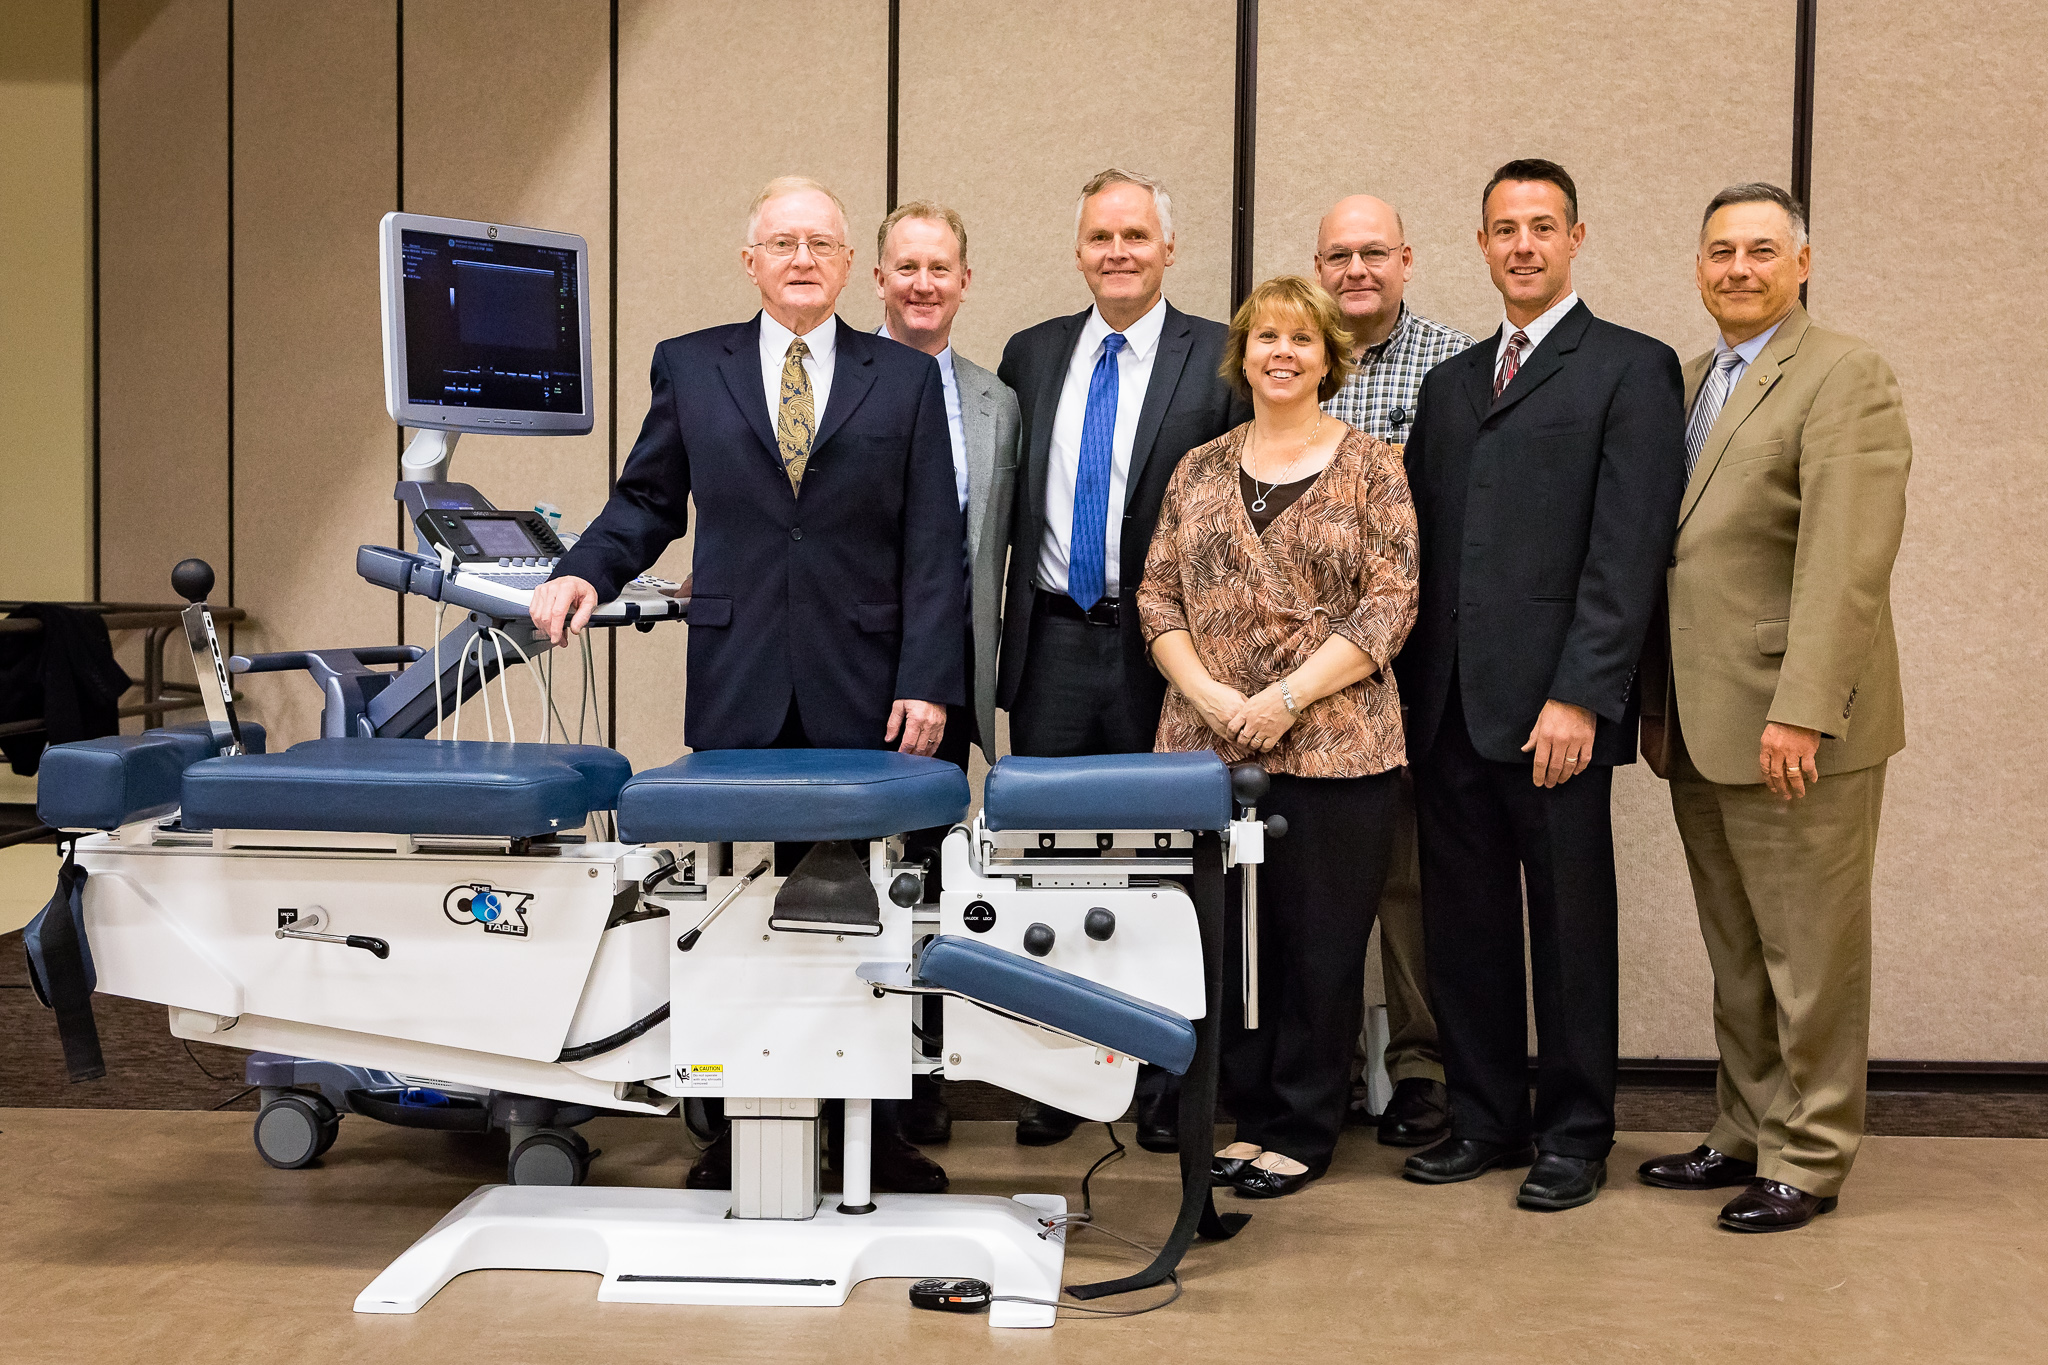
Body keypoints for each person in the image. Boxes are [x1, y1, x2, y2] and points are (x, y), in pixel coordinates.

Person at [529, 175, 964, 1195]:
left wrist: (929, 680)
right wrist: (584, 571)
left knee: (870, 910)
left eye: (821, 242)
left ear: (849, 264)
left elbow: (933, 545)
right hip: (739, 682)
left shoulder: (899, 378)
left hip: (868, 685)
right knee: (734, 905)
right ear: (750, 261)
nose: (802, 258)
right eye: (782, 243)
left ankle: (877, 1128)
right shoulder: (692, 366)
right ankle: (732, 1123)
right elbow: (645, 499)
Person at [1395, 159, 1686, 1211]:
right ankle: (1483, 1118)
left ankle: (1573, 1132)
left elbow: (1626, 553)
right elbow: (1426, 551)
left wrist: (1582, 695)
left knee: (1568, 929)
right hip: (1446, 709)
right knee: (1463, 928)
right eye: (1502, 228)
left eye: (1540, 226)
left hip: (1554, 712)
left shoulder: (1628, 368)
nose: (1521, 244)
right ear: (1479, 245)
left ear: (1574, 237)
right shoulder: (1451, 383)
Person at [1636, 183, 1910, 1233]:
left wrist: (1802, 709)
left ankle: (1810, 1152)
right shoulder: (1695, 380)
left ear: (1800, 263)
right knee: (1739, 949)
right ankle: (1743, 1130)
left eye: (1760, 250)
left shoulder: (1843, 376)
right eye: (1718, 251)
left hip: (1793, 727)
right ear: (1696, 266)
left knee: (1810, 953)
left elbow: (1847, 562)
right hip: (1701, 724)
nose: (1737, 268)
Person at [1139, 274, 1417, 1199]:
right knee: (1226, 944)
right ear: (1244, 355)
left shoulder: (1374, 465)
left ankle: (1301, 1127)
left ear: (1329, 356)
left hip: (1337, 747)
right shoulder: (1200, 467)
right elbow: (1159, 594)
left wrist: (1285, 699)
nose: (1283, 353)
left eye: (1303, 339)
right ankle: (1247, 1117)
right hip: (1206, 749)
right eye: (1266, 338)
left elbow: (1392, 602)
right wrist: (1212, 695)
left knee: (1318, 945)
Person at [995, 168, 1250, 1151]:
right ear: (1077, 250)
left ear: (1168, 248)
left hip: (1166, 654)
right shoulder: (1030, 356)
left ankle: (1162, 1083)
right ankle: (1052, 1074)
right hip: (1053, 641)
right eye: (1100, 235)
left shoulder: (1218, 358)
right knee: (1044, 867)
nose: (1117, 251)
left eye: (1135, 235)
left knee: (1166, 871)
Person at [1313, 193, 1474, 1148]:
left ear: (1408, 260)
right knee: (1310, 882)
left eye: (1375, 252)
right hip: (1290, 676)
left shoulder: (1455, 371)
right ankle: (1315, 1061)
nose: (1357, 270)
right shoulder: (1288, 359)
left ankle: (1421, 1067)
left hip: (1410, 664)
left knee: (1412, 881)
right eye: (1339, 254)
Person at [872, 198, 1021, 1146]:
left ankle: (917, 1082)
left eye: (941, 268)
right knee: (839, 883)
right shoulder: (842, 382)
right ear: (878, 279)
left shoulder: (996, 401)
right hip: (847, 678)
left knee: (928, 881)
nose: (924, 284)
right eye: (906, 267)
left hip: (951, 680)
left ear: (966, 281)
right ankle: (850, 1085)